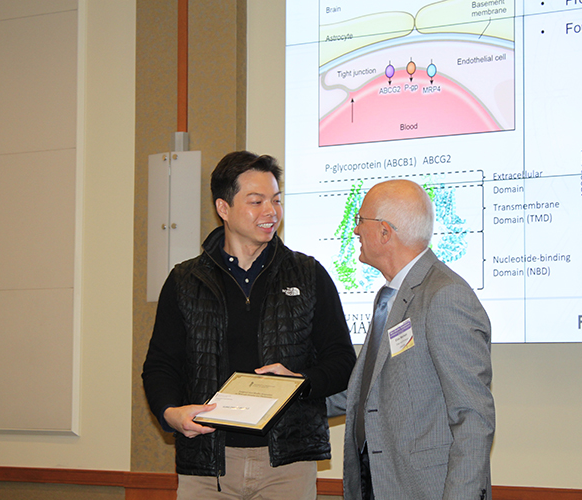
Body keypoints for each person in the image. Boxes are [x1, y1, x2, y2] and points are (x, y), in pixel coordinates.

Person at [142, 151, 356, 500]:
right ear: (223, 208)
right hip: (207, 464)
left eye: (276, 200)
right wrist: (170, 413)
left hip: (287, 463)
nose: (271, 211)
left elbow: (343, 361)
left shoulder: (309, 274)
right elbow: (161, 365)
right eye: (257, 202)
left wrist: (300, 382)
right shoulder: (185, 281)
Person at [341, 179, 495, 500]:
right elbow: (372, 391)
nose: (355, 230)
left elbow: (473, 417)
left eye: (360, 221)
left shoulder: (445, 296)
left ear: (385, 232)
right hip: (379, 483)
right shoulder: (389, 296)